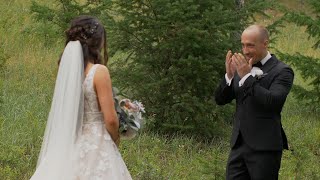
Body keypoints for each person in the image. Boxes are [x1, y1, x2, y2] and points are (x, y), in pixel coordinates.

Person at [30, 15, 132, 180]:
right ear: (98, 42)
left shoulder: (69, 72)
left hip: (70, 141)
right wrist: (115, 139)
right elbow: (111, 120)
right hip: (97, 144)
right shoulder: (99, 71)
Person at [215, 25, 294, 179]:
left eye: (250, 45)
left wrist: (246, 77)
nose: (245, 51)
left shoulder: (282, 71)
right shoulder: (243, 68)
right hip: (238, 146)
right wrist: (229, 76)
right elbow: (220, 100)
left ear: (265, 43)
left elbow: (273, 102)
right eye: (243, 45)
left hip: (265, 148)